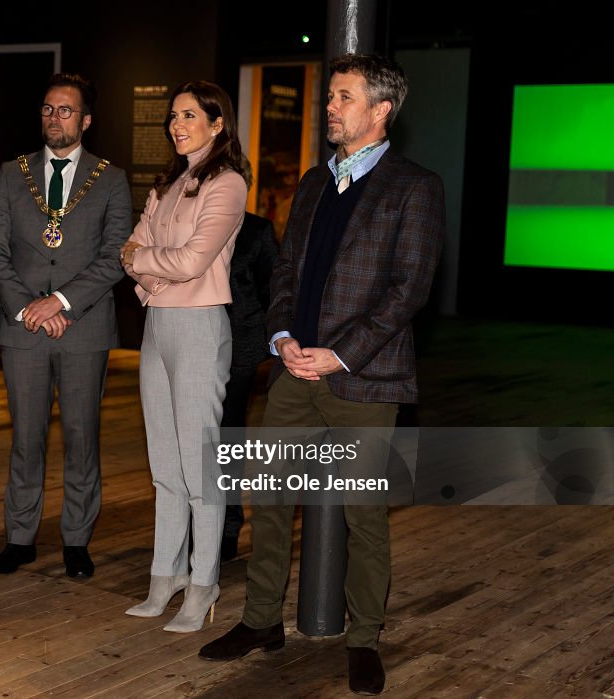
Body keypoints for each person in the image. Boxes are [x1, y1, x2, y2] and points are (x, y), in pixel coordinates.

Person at [198, 54, 445, 696]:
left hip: (361, 379)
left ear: (381, 110)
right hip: (292, 371)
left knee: (364, 515)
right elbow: (285, 274)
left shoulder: (414, 186)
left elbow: (408, 290)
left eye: (343, 96)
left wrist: (338, 354)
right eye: (330, 96)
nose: (329, 106)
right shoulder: (313, 182)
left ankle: (363, 638)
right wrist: (282, 337)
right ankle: (260, 623)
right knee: (271, 503)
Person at [0, 73, 132, 578]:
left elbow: (116, 257)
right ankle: (20, 537)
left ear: (86, 120)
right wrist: (28, 308)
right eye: (48, 109)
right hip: (22, 328)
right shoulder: (11, 173)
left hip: (83, 327)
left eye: (65, 111)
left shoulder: (111, 178)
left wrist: (62, 303)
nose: (55, 118)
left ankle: (76, 540)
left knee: (81, 436)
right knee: (25, 438)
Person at [121, 80, 249, 632]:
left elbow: (193, 260)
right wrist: (150, 266)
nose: (176, 124)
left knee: (200, 468)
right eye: (173, 116)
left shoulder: (228, 183)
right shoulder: (169, 182)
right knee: (164, 466)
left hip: (199, 325)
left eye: (189, 115)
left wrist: (146, 261)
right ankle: (164, 575)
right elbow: (130, 251)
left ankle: (204, 582)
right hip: (157, 322)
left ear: (217, 124)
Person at [219, 212, 277, 562]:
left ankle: (227, 525)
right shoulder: (185, 217)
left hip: (238, 348)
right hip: (190, 340)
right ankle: (193, 524)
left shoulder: (256, 230)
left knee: (226, 437)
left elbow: (274, 290)